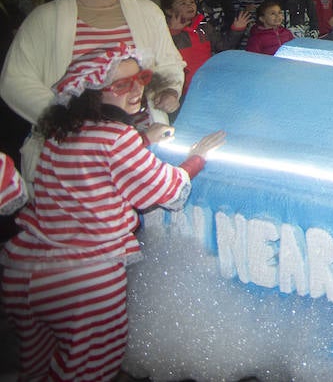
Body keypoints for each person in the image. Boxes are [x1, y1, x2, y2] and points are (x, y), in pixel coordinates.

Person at [1, 46, 223, 381]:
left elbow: (93, 165)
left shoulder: (61, 133)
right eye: (121, 85)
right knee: (89, 367)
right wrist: (197, 157)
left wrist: (143, 140)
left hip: (26, 272)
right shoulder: (116, 138)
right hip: (83, 283)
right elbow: (164, 187)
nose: (137, 90)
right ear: (90, 95)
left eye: (141, 79)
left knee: (35, 365)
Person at [0, 0, 185, 178]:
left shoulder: (147, 12)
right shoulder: (45, 19)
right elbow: (16, 80)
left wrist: (170, 90)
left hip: (140, 142)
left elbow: (168, 62)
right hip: (73, 150)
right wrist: (67, 121)